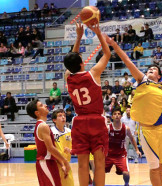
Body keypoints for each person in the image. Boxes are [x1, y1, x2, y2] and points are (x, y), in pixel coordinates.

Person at [106, 35, 162, 186]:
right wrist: (114, 45)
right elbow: (128, 61)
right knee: (154, 168)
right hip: (147, 131)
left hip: (161, 131)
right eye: (149, 69)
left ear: (159, 76)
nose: (150, 70)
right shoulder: (142, 80)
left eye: (154, 69)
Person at [63, 21, 111, 186]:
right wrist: (98, 34)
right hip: (96, 121)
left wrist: (78, 38)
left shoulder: (68, 77)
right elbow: (107, 54)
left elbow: (72, 60)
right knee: (99, 162)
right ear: (82, 62)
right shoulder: (94, 74)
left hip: (79, 122)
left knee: (82, 164)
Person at [26, 100, 70, 186]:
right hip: (45, 162)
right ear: (37, 113)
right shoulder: (43, 126)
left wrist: (61, 164)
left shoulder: (43, 125)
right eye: (41, 105)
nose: (45, 105)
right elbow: (51, 148)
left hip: (50, 162)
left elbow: (51, 149)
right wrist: (65, 161)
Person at [106, 108, 141, 186]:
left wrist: (137, 150)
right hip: (109, 155)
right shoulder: (108, 128)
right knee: (99, 171)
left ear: (121, 116)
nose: (117, 115)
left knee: (125, 173)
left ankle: (126, 184)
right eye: (115, 114)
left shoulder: (126, 128)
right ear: (112, 117)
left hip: (121, 155)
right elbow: (102, 140)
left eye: (118, 114)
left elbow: (132, 139)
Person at [51, 109, 74, 186]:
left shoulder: (69, 131)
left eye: (64, 115)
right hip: (55, 164)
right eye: (60, 116)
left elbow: (74, 147)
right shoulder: (51, 132)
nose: (63, 117)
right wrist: (62, 164)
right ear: (54, 120)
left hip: (66, 164)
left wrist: (70, 150)